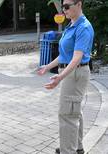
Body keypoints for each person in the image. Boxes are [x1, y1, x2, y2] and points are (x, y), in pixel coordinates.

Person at [37, 0, 94, 154]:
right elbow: (64, 55)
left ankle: (68, 150)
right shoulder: (72, 25)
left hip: (75, 73)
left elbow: (76, 59)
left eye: (67, 6)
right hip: (71, 72)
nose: (64, 9)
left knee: (67, 114)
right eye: (63, 6)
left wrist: (60, 77)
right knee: (74, 111)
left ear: (79, 4)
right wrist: (47, 67)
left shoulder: (83, 27)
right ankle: (77, 147)